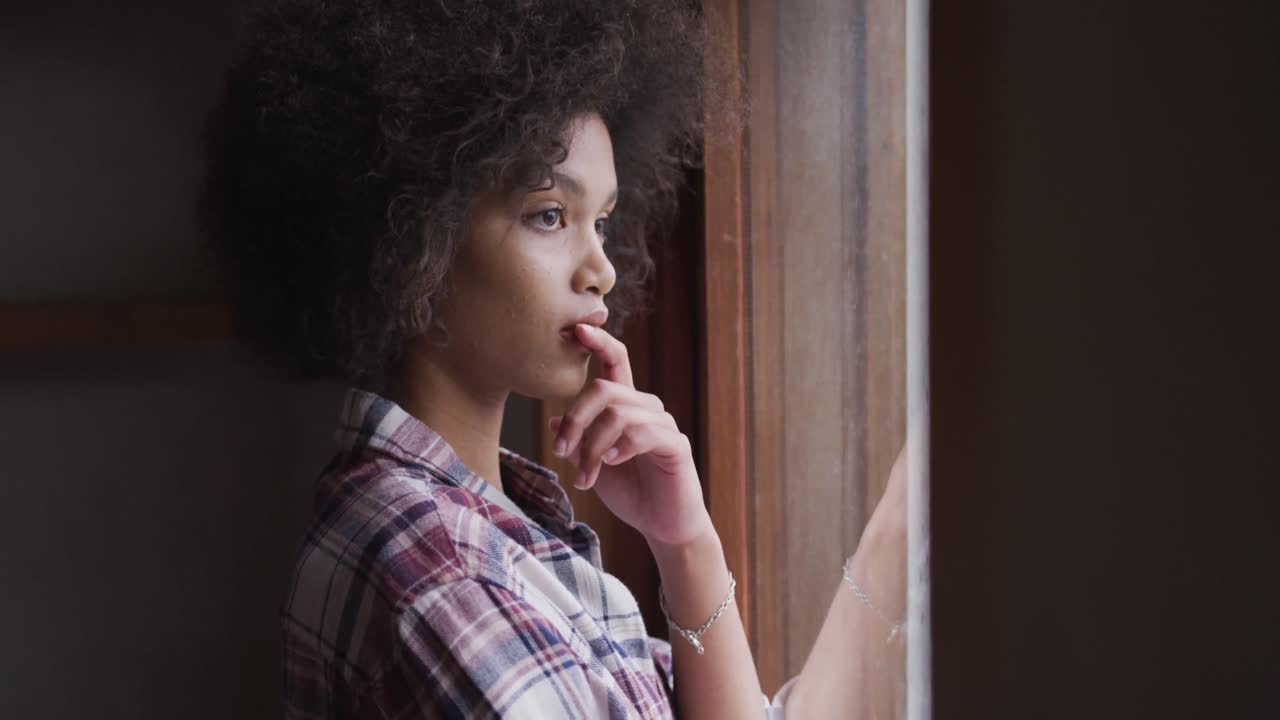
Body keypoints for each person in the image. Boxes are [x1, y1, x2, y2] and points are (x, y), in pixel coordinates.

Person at [201, 1, 908, 717]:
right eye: (549, 215)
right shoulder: (445, 575)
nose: (602, 268)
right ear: (413, 241)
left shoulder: (479, 522)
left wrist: (685, 542)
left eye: (602, 221)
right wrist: (893, 538)